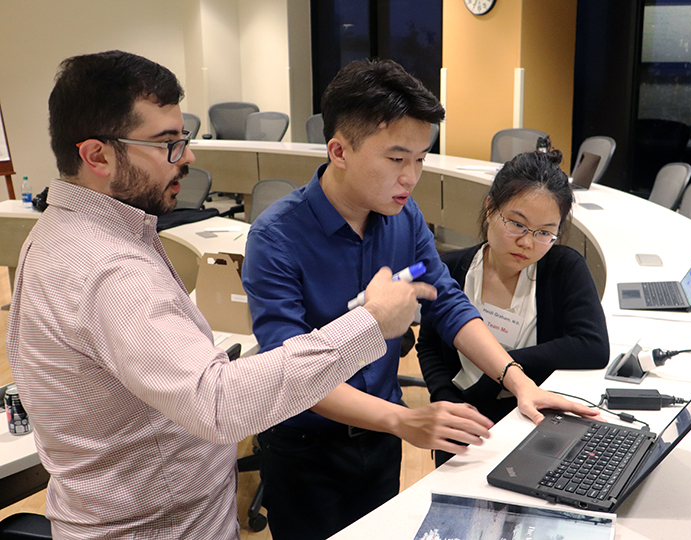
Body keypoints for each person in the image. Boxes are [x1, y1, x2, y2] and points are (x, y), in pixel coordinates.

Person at [5, 50, 435, 540]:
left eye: (183, 139)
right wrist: (372, 323)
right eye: (167, 144)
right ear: (97, 155)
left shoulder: (69, 232)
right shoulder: (108, 270)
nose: (187, 157)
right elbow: (218, 406)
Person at [241, 58, 599, 540]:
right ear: (339, 150)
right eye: (396, 159)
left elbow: (447, 303)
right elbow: (292, 372)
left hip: (383, 440)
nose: (411, 177)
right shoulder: (276, 238)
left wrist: (516, 380)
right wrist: (404, 418)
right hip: (307, 447)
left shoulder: (403, 219)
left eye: (421, 159)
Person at [416, 150, 610, 466]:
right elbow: (428, 345)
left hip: (533, 421)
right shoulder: (450, 269)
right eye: (517, 225)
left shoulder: (563, 267)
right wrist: (445, 397)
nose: (528, 243)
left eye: (545, 232)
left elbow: (593, 346)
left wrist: (498, 372)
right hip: (462, 421)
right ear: (491, 208)